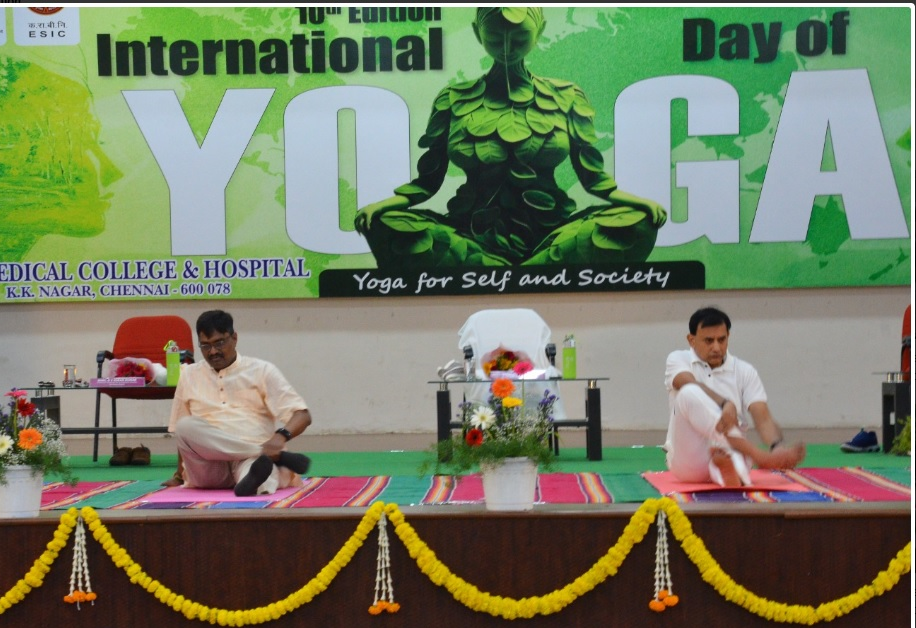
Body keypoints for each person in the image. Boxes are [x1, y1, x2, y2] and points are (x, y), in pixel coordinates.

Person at [354, 6, 667, 270]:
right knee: (386, 226)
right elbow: (427, 183)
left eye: (518, 38)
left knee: (637, 223)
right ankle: (535, 272)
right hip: (470, 234)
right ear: (477, 34)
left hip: (552, 235)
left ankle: (501, 272)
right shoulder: (453, 98)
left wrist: (639, 203)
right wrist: (381, 207)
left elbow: (594, 179)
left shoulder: (567, 96)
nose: (506, 48)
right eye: (494, 38)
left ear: (540, 31)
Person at [165, 310, 312, 496]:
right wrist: (179, 475)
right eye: (205, 346)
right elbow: (184, 439)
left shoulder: (262, 370)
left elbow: (302, 415)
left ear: (234, 338)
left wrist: (280, 437)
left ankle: (252, 481)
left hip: (248, 463)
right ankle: (269, 454)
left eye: (219, 343)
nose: (213, 351)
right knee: (185, 426)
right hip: (207, 467)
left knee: (263, 474)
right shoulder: (188, 375)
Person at [664, 307, 806, 487]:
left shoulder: (745, 370)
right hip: (690, 461)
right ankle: (757, 455)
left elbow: (762, 417)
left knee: (731, 455)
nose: (716, 347)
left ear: (728, 336)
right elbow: (685, 382)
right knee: (688, 392)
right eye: (709, 341)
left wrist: (777, 447)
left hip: (732, 452)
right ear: (691, 340)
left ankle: (730, 476)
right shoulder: (678, 359)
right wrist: (725, 403)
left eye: (721, 339)